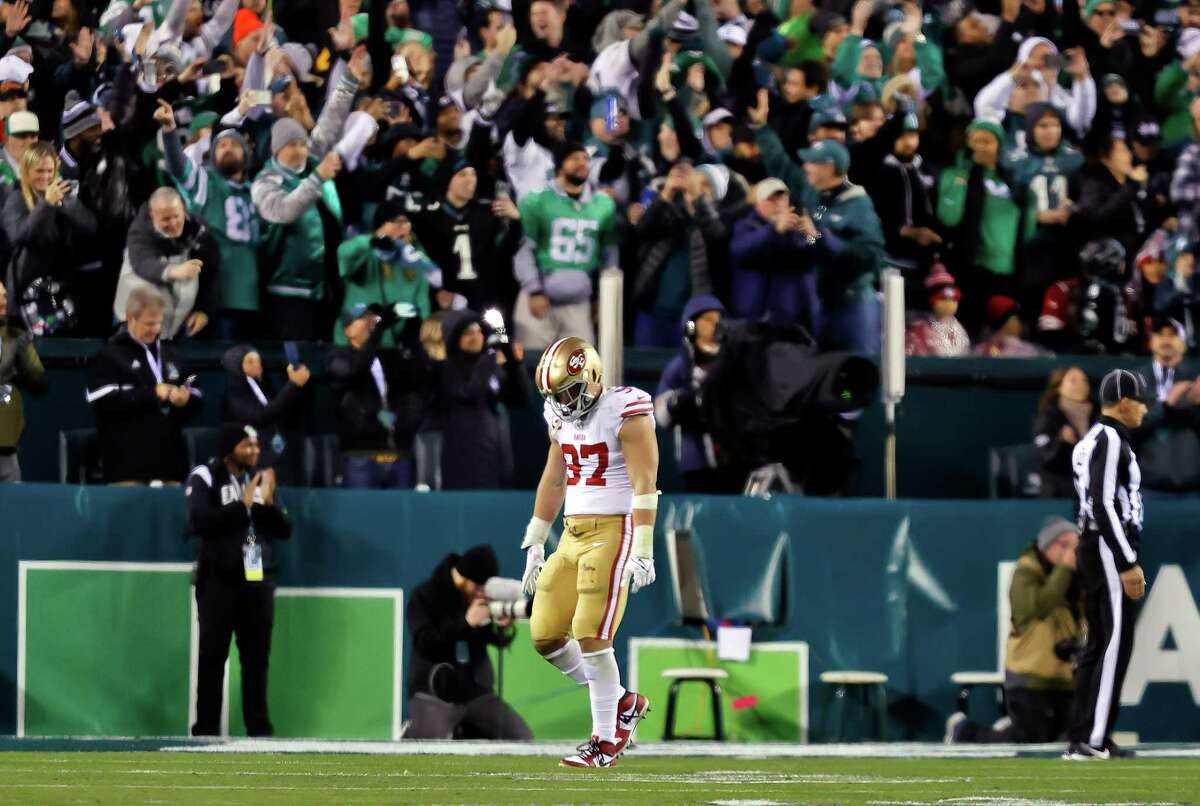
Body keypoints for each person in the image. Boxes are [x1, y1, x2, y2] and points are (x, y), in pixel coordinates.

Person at [520, 336, 657, 767]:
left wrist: (645, 546)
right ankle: (621, 702)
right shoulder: (558, 416)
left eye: (568, 390)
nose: (562, 401)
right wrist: (536, 539)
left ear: (591, 375)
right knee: (544, 634)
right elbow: (554, 477)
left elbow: (644, 483)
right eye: (554, 394)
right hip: (572, 534)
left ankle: (604, 741)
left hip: (614, 531)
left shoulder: (625, 410)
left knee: (591, 633)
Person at [186, 423, 292, 737]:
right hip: (218, 580)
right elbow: (199, 521)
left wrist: (267, 504)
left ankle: (258, 729)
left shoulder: (258, 478)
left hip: (255, 579)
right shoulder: (206, 476)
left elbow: (284, 530)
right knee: (212, 657)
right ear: (230, 447)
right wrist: (241, 504)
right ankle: (205, 729)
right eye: (248, 445)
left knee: (257, 659)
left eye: (257, 446)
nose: (255, 452)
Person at [251, 51, 366, 340]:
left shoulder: (311, 163)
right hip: (286, 291)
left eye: (302, 144)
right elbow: (284, 211)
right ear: (277, 149)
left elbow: (329, 121)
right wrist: (317, 178)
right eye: (292, 145)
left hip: (323, 284)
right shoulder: (266, 179)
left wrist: (349, 80)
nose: (300, 150)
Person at [1066, 369, 1149, 760]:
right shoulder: (1111, 437)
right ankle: (1093, 738)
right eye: (1141, 401)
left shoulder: (1089, 440)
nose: (1146, 409)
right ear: (1125, 402)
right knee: (1115, 639)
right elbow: (1103, 503)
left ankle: (1087, 731)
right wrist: (1127, 559)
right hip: (1107, 543)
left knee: (1098, 640)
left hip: (1094, 542)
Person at [946, 517, 1082, 743]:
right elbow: (1037, 607)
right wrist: (1065, 569)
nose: (1073, 553)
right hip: (1029, 676)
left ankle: (1004, 728)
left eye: (1075, 546)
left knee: (1066, 740)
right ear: (1049, 545)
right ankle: (963, 732)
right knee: (1029, 740)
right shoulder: (1025, 572)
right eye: (1066, 545)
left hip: (1064, 675)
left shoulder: (1075, 577)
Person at [157, 101, 262, 341]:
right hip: (216, 297)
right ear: (212, 154)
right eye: (221, 145)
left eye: (234, 144)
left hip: (252, 297)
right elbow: (177, 166)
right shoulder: (206, 183)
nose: (227, 148)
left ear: (245, 153)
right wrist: (170, 131)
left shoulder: (255, 191)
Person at [405, 545, 532, 740]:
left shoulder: (474, 597)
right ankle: (412, 730)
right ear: (466, 578)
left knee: (521, 737)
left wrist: (503, 627)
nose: (481, 593)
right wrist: (466, 622)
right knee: (427, 745)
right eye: (479, 587)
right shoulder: (423, 596)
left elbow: (493, 639)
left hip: (475, 693)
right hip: (432, 692)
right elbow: (424, 643)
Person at [86, 287, 203, 485]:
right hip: (127, 468)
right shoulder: (110, 355)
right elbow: (102, 399)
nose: (156, 329)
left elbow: (197, 393)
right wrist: (153, 393)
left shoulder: (172, 354)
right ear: (131, 318)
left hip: (170, 465)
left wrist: (186, 400)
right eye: (150, 323)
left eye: (159, 322)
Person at [513, 142, 617, 352]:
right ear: (560, 166)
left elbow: (609, 255)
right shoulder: (536, 200)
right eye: (574, 158)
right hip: (539, 299)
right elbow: (524, 250)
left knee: (580, 372)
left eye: (585, 159)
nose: (582, 163)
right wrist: (534, 290)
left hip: (579, 303)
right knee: (533, 367)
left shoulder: (603, 204)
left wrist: (601, 296)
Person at [326, 304, 428, 489]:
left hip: (398, 454)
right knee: (362, 515)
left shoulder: (388, 358)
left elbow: (417, 384)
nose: (369, 322)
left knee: (400, 514)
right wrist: (379, 330)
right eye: (362, 318)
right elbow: (355, 370)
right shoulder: (338, 358)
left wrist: (412, 328)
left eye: (371, 318)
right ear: (347, 331)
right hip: (361, 456)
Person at [2, 141, 98, 335]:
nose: (45, 177)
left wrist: (63, 204)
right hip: (25, 290)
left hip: (60, 288)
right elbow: (19, 236)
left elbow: (90, 227)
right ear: (26, 170)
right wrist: (46, 204)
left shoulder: (64, 194)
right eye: (39, 171)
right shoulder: (16, 198)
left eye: (49, 171)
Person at [435, 309, 531, 490]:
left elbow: (520, 399)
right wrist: (489, 356)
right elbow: (470, 392)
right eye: (468, 333)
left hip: (494, 453)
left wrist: (515, 364)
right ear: (455, 339)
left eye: (478, 331)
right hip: (462, 456)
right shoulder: (446, 368)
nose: (476, 337)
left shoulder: (490, 365)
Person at [654, 295, 742, 493]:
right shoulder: (679, 367)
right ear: (691, 326)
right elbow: (660, 412)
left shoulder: (731, 362)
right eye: (708, 320)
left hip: (730, 455)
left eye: (719, 320)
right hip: (694, 459)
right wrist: (678, 403)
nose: (716, 325)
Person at [112, 187, 220, 341]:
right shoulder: (140, 231)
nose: (173, 223)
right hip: (134, 322)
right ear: (152, 215)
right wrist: (174, 271)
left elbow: (211, 272)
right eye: (166, 219)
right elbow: (143, 263)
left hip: (176, 327)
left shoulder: (198, 231)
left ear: (183, 209)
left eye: (176, 216)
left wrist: (204, 309)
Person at [336, 201, 435, 347]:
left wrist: (425, 340)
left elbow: (423, 304)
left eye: (405, 221)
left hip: (394, 343)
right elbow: (343, 254)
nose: (400, 227)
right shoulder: (366, 250)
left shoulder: (415, 255)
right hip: (356, 342)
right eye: (394, 222)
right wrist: (374, 240)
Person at [1132, 317, 1200, 498]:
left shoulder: (1196, 378)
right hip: (1149, 486)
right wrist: (1166, 406)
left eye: (1172, 335)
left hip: (1193, 486)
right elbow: (1129, 427)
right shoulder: (1135, 380)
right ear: (1151, 341)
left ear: (1184, 342)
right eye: (1159, 334)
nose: (1166, 340)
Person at [221, 345, 310, 475]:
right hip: (256, 463)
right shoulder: (235, 396)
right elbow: (261, 417)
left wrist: (298, 385)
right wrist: (293, 385)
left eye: (258, 360)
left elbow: (281, 411)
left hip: (277, 456)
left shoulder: (263, 386)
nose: (257, 364)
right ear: (236, 366)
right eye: (250, 361)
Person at [0, 279, 46, 481]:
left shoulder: (15, 336)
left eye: (4, 295)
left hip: (7, 448)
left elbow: (39, 380)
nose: (4, 300)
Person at [1034, 367, 1094, 499]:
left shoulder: (1097, 417)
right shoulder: (1049, 418)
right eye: (1073, 380)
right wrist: (1062, 442)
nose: (1081, 385)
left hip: (1092, 495)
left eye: (1085, 380)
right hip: (1059, 495)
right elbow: (1047, 459)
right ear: (1058, 387)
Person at [905, 268, 970, 357]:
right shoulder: (921, 328)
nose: (949, 304)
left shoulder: (957, 327)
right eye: (942, 299)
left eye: (954, 299)